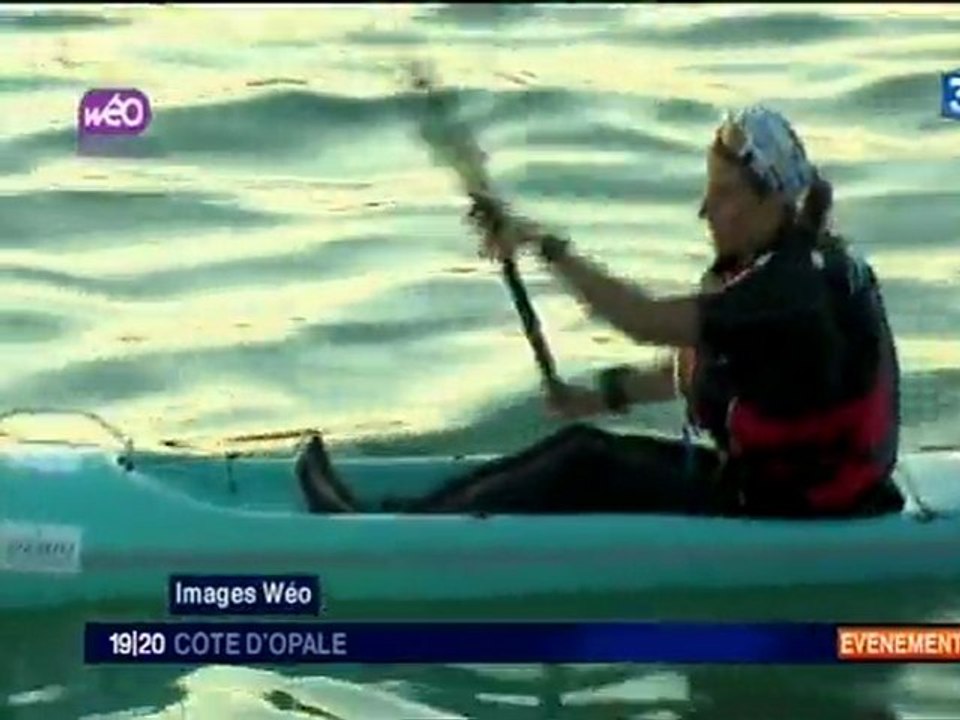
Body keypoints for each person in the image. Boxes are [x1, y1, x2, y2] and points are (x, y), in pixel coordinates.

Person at [296, 105, 904, 519]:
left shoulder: (786, 292)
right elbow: (711, 369)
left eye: (723, 194)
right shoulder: (801, 260)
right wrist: (598, 396)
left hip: (793, 508)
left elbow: (640, 321)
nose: (705, 210)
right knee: (580, 446)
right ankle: (407, 515)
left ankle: (392, 532)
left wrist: (545, 246)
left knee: (583, 461)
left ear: (772, 200)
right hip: (810, 488)